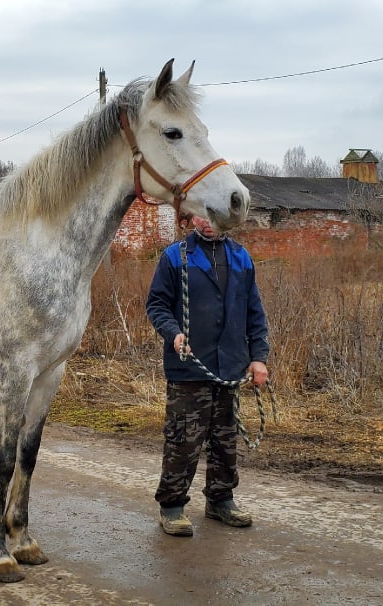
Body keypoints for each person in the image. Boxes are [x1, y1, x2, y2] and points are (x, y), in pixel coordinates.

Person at [145, 214, 270, 537]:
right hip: (188, 366)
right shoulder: (176, 256)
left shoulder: (241, 257)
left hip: (229, 364)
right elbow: (156, 304)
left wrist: (258, 358)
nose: (209, 222)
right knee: (184, 439)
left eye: (216, 216)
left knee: (224, 439)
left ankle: (220, 499)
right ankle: (172, 506)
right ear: (192, 216)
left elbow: (254, 312)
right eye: (204, 215)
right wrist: (173, 332)